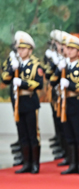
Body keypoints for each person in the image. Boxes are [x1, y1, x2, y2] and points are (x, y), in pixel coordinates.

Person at [2, 32, 44, 174]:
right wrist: (11, 69)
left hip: (30, 101)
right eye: (19, 48)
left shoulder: (35, 65)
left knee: (33, 134)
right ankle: (26, 163)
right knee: (22, 134)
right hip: (18, 103)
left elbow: (39, 84)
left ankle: (35, 164)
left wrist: (23, 83)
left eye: (23, 49)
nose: (20, 51)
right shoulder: (14, 63)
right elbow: (4, 79)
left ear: (30, 50)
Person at [59, 34, 79, 175]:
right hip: (64, 104)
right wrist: (58, 69)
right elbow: (52, 81)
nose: (69, 51)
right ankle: (72, 164)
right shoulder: (63, 66)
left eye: (72, 49)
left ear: (78, 51)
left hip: (76, 103)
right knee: (68, 135)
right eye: (68, 48)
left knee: (78, 136)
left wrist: (70, 85)